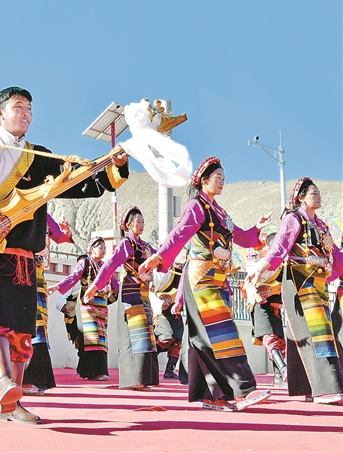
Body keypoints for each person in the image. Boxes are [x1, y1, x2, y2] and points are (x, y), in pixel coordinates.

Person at [0, 86, 129, 424]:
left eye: (29, 107)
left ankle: (12, 404)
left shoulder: (40, 156)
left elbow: (80, 181)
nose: (26, 112)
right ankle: (4, 384)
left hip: (25, 259)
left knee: (20, 333)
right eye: (18, 106)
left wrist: (113, 165)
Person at [139, 156, 272, 411]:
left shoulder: (220, 211)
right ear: (203, 180)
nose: (222, 182)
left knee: (206, 338)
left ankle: (213, 396)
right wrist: (159, 257)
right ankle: (242, 390)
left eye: (224, 178)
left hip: (218, 280)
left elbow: (241, 236)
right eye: (217, 177)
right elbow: (179, 234)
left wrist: (256, 229)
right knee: (222, 334)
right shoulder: (196, 206)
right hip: (201, 279)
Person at [245, 178, 343, 404]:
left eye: (319, 193)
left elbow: (336, 257)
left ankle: (308, 387)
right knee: (316, 332)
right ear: (301, 198)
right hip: (299, 280)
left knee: (308, 333)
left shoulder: (321, 225)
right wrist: (258, 270)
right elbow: (279, 248)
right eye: (314, 193)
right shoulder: (293, 219)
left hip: (318, 283)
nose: (318, 196)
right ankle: (326, 388)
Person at [84, 207, 159, 391]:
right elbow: (110, 265)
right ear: (128, 225)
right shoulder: (127, 243)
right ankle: (134, 380)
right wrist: (94, 287)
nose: (141, 225)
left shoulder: (146, 246)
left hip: (143, 293)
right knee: (134, 335)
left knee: (146, 333)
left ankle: (144, 379)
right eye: (138, 222)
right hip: (130, 293)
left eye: (143, 221)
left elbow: (160, 258)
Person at [49, 236, 115, 381]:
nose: (103, 250)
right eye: (100, 247)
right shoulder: (85, 262)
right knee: (90, 338)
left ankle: (99, 371)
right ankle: (91, 371)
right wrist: (58, 286)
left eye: (104, 248)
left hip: (101, 306)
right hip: (86, 306)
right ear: (91, 249)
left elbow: (114, 285)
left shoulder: (105, 266)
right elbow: (73, 277)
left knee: (101, 339)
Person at [21, 214, 74, 395]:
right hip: (19, 271)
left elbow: (59, 237)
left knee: (39, 324)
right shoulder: (17, 206)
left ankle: (36, 378)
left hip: (38, 274)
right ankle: (24, 379)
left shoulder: (43, 214)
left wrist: (66, 232)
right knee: (26, 323)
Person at [243, 232, 287, 387]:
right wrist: (256, 294)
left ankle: (278, 377)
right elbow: (248, 282)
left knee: (280, 341)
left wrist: (274, 290)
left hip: (276, 306)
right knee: (270, 338)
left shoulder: (284, 263)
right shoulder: (258, 262)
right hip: (260, 305)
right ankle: (283, 368)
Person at [153, 261, 185, 380]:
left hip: (174, 310)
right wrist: (159, 303)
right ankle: (149, 359)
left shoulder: (180, 272)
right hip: (160, 310)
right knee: (166, 337)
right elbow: (151, 290)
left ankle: (170, 369)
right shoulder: (156, 269)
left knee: (178, 339)